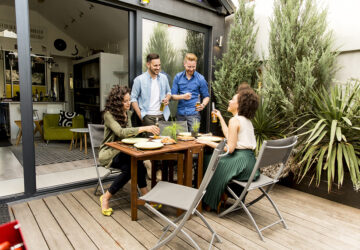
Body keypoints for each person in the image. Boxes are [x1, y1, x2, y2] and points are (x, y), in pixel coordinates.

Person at [196, 83, 260, 212]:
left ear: (239, 105)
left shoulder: (235, 121)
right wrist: (220, 118)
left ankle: (207, 200)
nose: (230, 101)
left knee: (207, 159)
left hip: (240, 163)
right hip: (250, 164)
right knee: (211, 159)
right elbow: (230, 136)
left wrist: (204, 141)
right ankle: (219, 196)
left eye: (233, 99)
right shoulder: (244, 120)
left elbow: (229, 149)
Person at [99, 85, 160, 216]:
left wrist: (146, 136)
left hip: (124, 151)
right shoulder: (108, 115)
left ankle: (146, 197)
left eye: (129, 100)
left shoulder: (127, 114)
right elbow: (121, 133)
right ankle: (106, 197)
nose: (129, 103)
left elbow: (129, 136)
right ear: (117, 101)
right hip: (109, 153)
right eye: (125, 101)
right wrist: (143, 129)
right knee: (132, 167)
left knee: (137, 162)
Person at [131, 53, 172, 127]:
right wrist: (140, 115)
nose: (158, 67)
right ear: (148, 64)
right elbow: (133, 98)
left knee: (164, 138)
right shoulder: (139, 80)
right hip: (148, 117)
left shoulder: (164, 78)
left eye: (159, 65)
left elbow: (169, 92)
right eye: (155, 65)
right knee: (151, 139)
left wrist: (167, 98)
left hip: (163, 115)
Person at [171, 53, 210, 131]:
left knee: (194, 139)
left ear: (196, 65)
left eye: (193, 67)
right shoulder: (178, 77)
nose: (191, 69)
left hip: (194, 115)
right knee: (180, 139)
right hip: (180, 115)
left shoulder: (200, 79)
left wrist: (203, 105)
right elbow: (173, 96)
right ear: (184, 64)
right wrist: (183, 96)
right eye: (189, 67)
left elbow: (206, 96)